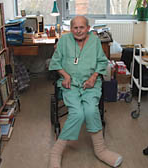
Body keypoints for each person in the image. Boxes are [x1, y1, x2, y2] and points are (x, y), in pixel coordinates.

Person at [49, 16, 123, 168]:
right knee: (77, 113)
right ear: (71, 29)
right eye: (75, 28)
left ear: (88, 28)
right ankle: (56, 152)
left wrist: (94, 77)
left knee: (90, 111)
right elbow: (55, 62)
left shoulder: (95, 41)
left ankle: (100, 150)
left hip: (91, 83)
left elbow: (102, 62)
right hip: (71, 84)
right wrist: (65, 75)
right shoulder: (63, 41)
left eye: (82, 27)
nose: (78, 31)